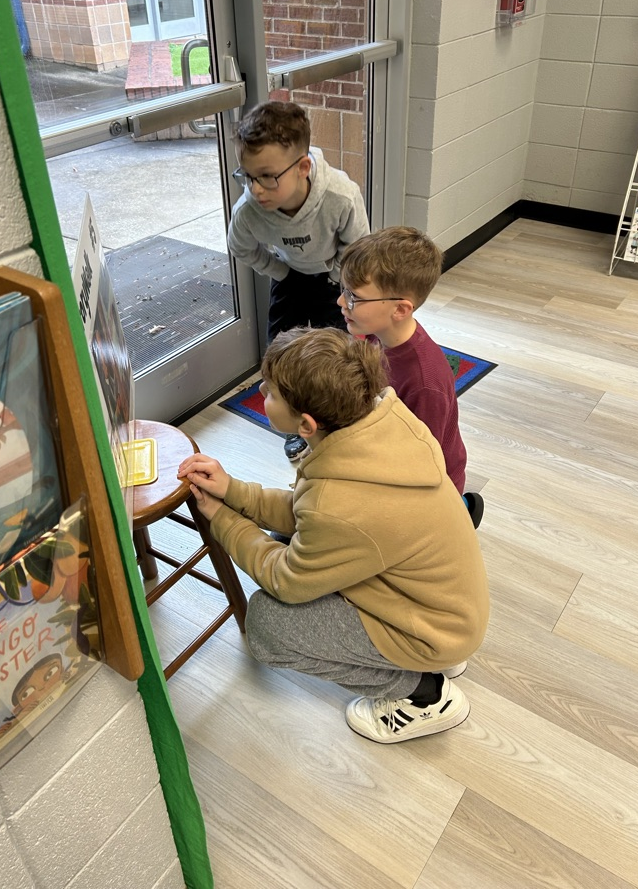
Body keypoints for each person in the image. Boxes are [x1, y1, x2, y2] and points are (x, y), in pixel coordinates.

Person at [178, 327, 489, 745]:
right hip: (447, 605)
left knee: (269, 627)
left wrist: (223, 519)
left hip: (436, 629)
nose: (262, 392)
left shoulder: (338, 501)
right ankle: (428, 659)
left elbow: (287, 581)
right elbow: (305, 510)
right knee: (284, 537)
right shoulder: (380, 422)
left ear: (306, 424)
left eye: (269, 392)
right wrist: (233, 491)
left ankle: (422, 695)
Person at [228, 101, 370, 462]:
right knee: (280, 355)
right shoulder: (248, 212)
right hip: (290, 276)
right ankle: (294, 428)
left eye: (267, 176)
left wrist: (336, 276)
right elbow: (240, 247)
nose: (257, 189)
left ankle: (338, 420)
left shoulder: (341, 195)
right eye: (248, 176)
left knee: (339, 351)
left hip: (334, 278)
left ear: (303, 167)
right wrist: (278, 271)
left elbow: (357, 246)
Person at [338, 226, 484, 528]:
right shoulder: (377, 336)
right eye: (342, 291)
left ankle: (459, 512)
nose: (341, 303)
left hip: (430, 482)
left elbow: (422, 464)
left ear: (400, 309)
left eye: (354, 297)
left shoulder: (425, 383)